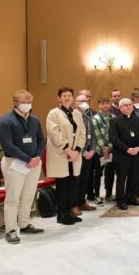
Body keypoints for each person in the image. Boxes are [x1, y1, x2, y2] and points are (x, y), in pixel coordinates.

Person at [0, 90, 45, 244]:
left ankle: (24, 224)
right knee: (13, 198)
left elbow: (41, 140)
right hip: (14, 163)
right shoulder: (5, 121)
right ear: (16, 102)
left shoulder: (34, 120)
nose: (28, 105)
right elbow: (7, 145)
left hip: (34, 163)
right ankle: (10, 230)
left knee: (28, 195)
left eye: (30, 102)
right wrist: (27, 158)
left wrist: (36, 157)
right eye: (24, 102)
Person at [46, 87, 86, 225]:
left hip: (75, 154)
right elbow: (54, 133)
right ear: (59, 98)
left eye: (69, 95)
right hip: (61, 154)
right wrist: (68, 150)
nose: (67, 97)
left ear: (73, 97)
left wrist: (77, 150)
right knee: (62, 186)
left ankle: (70, 211)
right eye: (64, 95)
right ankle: (61, 214)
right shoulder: (54, 113)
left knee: (73, 185)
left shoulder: (77, 113)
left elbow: (82, 132)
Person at [109, 98, 139, 210]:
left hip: (136, 154)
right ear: (120, 108)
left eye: (130, 104)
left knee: (134, 177)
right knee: (121, 179)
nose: (128, 107)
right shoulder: (115, 121)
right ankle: (120, 200)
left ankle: (131, 198)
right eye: (125, 105)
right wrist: (127, 149)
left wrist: (138, 147)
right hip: (122, 155)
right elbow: (114, 138)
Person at [75, 94, 97, 212]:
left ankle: (82, 202)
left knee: (85, 179)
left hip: (89, 153)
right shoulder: (73, 117)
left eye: (86, 100)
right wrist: (83, 152)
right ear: (76, 103)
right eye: (82, 101)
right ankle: (74, 204)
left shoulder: (88, 118)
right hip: (78, 154)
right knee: (76, 180)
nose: (85, 102)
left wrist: (92, 150)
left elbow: (93, 136)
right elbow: (74, 138)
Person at [92, 97, 115, 203]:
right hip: (99, 150)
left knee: (110, 173)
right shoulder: (95, 118)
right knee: (98, 173)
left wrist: (110, 147)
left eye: (107, 103)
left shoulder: (114, 117)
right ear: (99, 105)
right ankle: (97, 195)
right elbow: (97, 135)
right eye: (103, 103)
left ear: (110, 105)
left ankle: (109, 194)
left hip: (111, 150)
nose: (105, 105)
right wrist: (104, 147)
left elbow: (115, 134)